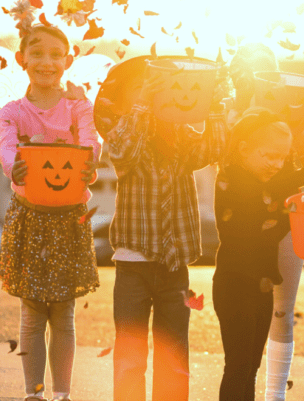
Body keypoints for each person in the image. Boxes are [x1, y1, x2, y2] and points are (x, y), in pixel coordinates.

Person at [94, 55, 228, 401]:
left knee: (174, 354)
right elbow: (123, 155)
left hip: (173, 267)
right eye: (142, 88)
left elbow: (212, 149)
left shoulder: (180, 135)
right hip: (132, 266)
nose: (152, 94)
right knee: (130, 356)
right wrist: (140, 108)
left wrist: (212, 106)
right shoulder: (123, 129)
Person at [0, 0, 101, 401]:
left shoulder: (77, 109)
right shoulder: (13, 111)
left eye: (56, 54)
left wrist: (90, 161)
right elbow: (7, 146)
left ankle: (62, 394)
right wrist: (12, 167)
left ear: (68, 60)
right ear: (22, 58)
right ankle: (33, 393)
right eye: (37, 53)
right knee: (32, 312)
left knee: (64, 314)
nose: (46, 61)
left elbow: (91, 143)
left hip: (69, 218)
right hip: (30, 217)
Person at [227, 43, 304, 401]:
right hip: (244, 230)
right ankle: (242, 392)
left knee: (281, 310)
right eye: (245, 71)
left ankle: (275, 395)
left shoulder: (295, 115)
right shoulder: (229, 117)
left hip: (287, 223)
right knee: (245, 319)